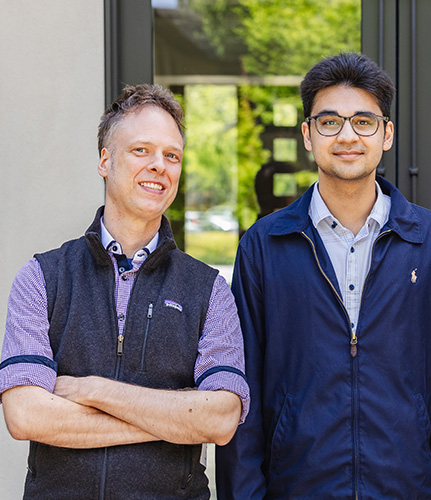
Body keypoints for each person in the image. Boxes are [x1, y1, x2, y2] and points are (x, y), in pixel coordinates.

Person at [216, 52, 431, 499]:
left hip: (407, 489)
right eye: (329, 122)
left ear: (387, 134)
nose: (346, 136)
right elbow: (244, 395)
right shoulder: (264, 246)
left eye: (363, 121)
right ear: (307, 134)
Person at [0, 84, 249, 499]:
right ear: (105, 160)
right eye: (141, 151)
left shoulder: (209, 291)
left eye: (172, 156)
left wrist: (91, 390)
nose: (159, 166)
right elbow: (26, 415)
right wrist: (171, 420)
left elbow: (221, 418)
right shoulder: (43, 276)